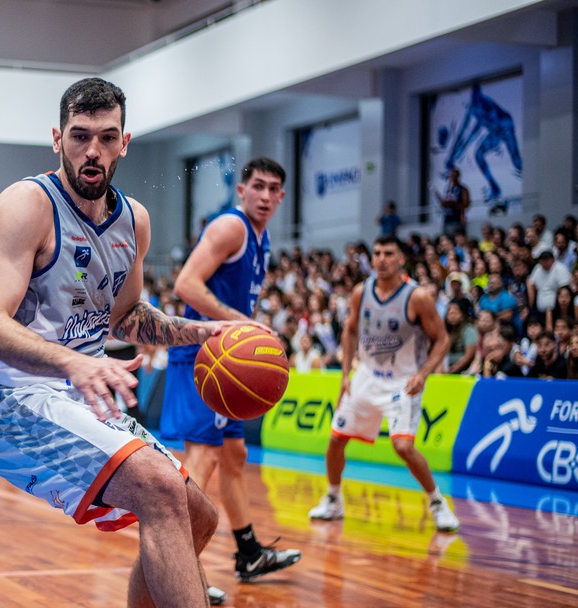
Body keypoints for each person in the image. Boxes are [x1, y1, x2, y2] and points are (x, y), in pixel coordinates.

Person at [0, 78, 231, 607]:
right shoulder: (26, 204)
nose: (93, 151)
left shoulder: (134, 221)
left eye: (107, 138)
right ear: (57, 139)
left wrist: (193, 332)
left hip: (81, 389)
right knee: (158, 486)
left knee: (198, 517)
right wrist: (72, 363)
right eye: (80, 136)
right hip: (6, 397)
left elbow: (125, 316)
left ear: (124, 143)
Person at [159, 156, 301, 583]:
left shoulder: (263, 237)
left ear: (282, 196)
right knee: (201, 457)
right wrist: (239, 323)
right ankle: (180, 572)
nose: (264, 195)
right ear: (242, 190)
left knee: (234, 456)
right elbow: (186, 284)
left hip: (227, 355)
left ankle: (249, 553)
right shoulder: (231, 227)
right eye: (257, 185)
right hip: (205, 357)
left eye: (273, 188)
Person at [308, 235, 460, 532]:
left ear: (401, 258)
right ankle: (333, 499)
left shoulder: (417, 297)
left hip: (402, 382)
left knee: (403, 446)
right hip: (366, 376)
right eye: (376, 253)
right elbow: (350, 331)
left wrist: (424, 373)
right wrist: (344, 375)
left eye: (388, 253)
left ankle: (437, 503)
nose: (381, 258)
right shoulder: (360, 292)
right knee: (336, 439)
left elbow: (442, 340)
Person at [433, 168, 469, 238]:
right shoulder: (448, 189)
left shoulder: (463, 189)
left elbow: (466, 204)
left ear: (458, 176)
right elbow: (443, 204)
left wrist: (453, 204)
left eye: (454, 176)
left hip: (457, 218)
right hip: (447, 218)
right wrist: (443, 203)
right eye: (451, 176)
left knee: (456, 238)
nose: (452, 178)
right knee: (446, 239)